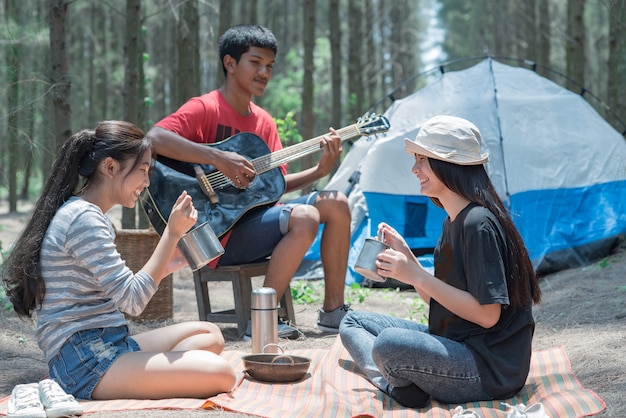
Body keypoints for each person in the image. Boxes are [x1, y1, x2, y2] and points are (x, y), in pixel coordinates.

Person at [2, 121, 236, 401]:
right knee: (222, 373)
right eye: (143, 170)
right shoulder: (83, 220)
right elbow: (132, 301)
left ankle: (141, 374)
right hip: (84, 359)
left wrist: (168, 263)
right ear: (110, 167)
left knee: (210, 335)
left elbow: (124, 293)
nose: (147, 182)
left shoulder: (87, 214)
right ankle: (114, 378)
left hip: (109, 342)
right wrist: (171, 233)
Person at [147, 24, 352, 336]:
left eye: (269, 66)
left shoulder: (264, 122)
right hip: (211, 234)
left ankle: (332, 311)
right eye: (255, 62)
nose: (264, 72)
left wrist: (319, 173)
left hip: (254, 223)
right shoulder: (204, 108)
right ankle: (261, 321)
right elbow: (154, 137)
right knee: (306, 216)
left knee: (336, 203)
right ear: (230, 64)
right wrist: (217, 158)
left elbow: (274, 186)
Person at [339, 115, 542, 408]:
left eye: (423, 160)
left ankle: (396, 384)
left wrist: (419, 277)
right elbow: (442, 301)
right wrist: (411, 264)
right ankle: (397, 383)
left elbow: (488, 315)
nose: (414, 169)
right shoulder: (453, 221)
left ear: (450, 164)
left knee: (388, 345)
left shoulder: (478, 224)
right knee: (353, 321)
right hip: (455, 344)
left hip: (487, 368)